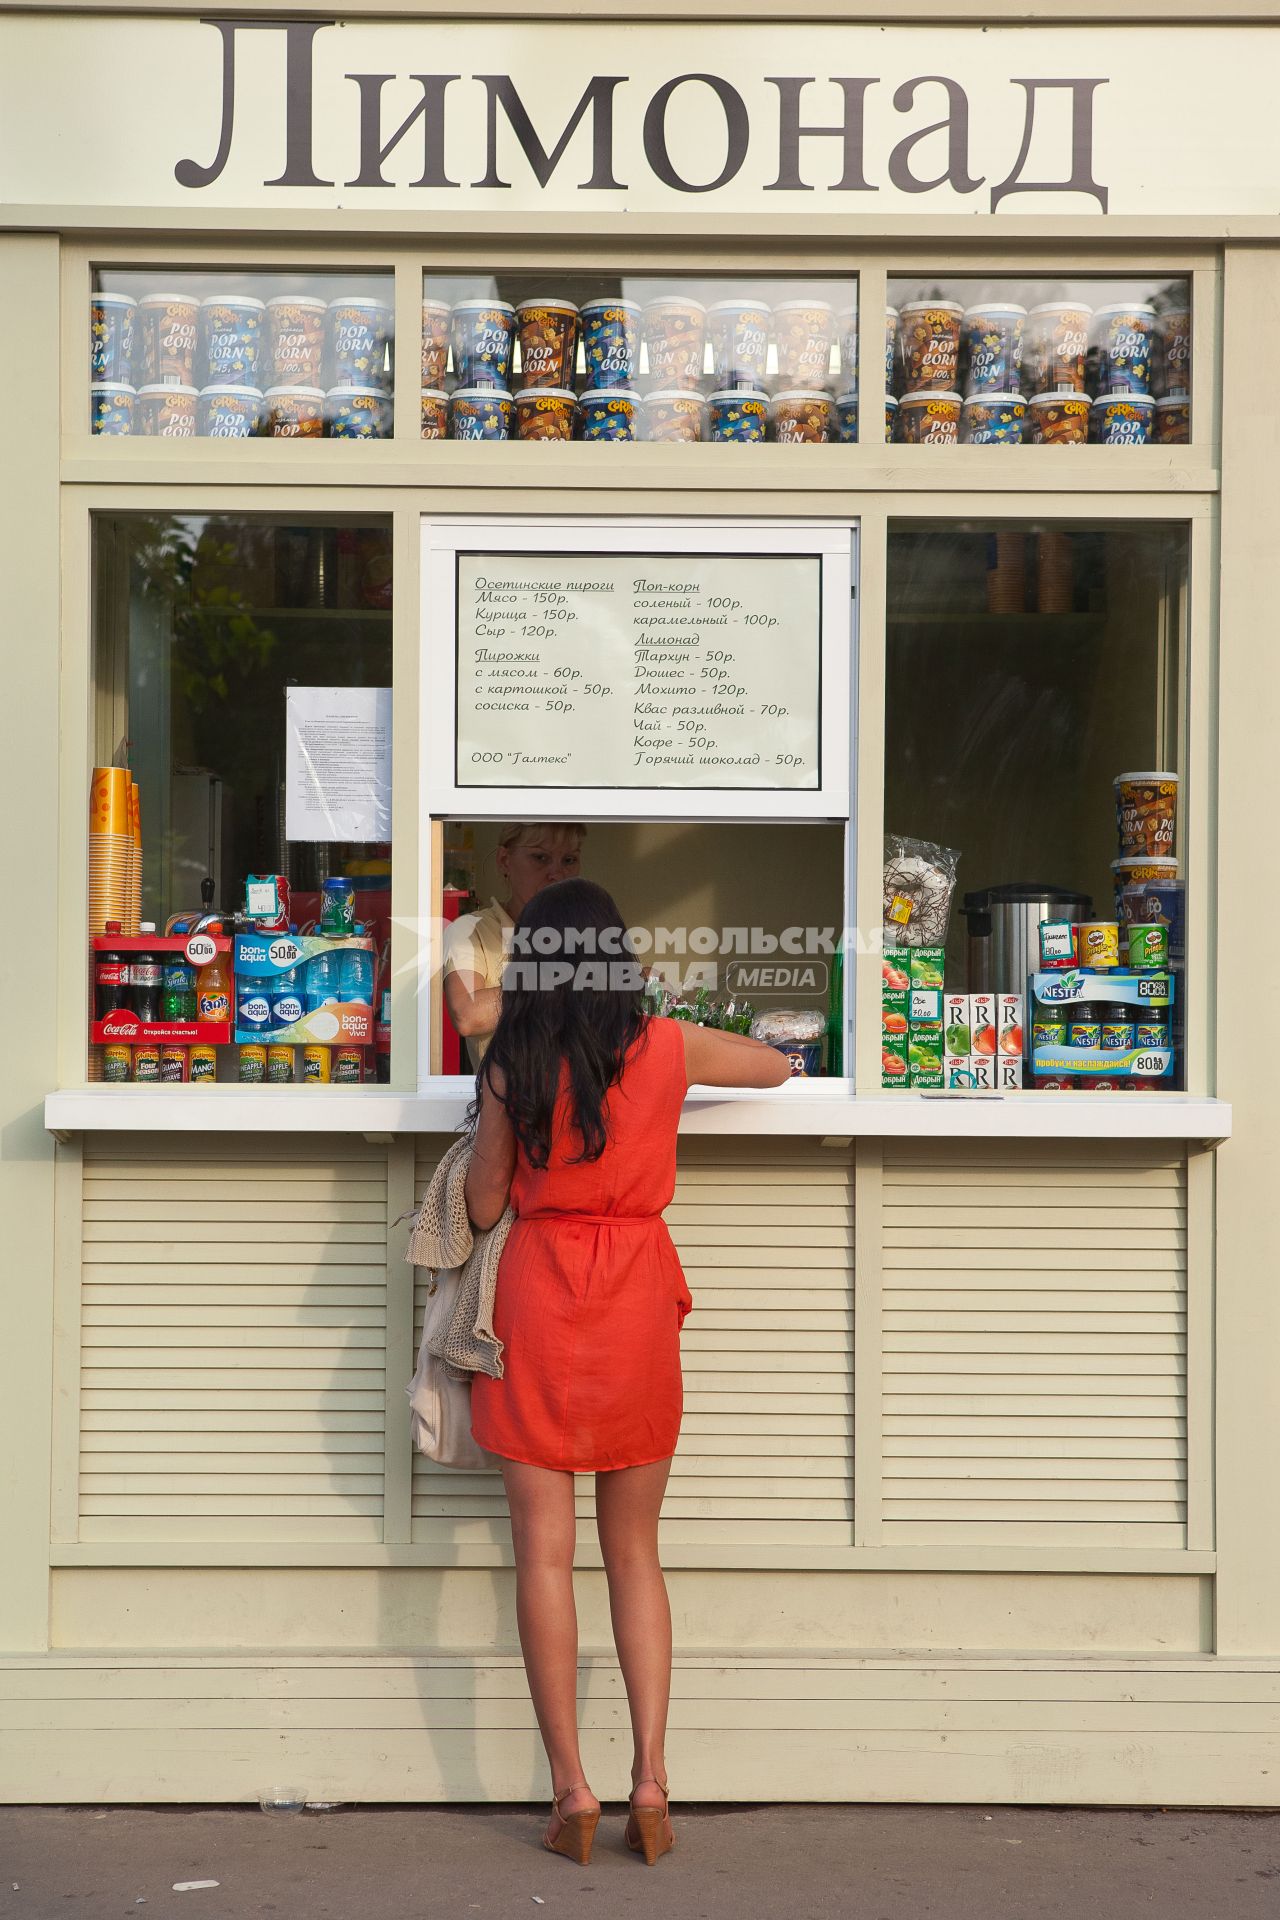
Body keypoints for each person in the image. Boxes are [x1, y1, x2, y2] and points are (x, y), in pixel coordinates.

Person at [464, 879, 790, 1866]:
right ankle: (651, 1778)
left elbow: (481, 1208)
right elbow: (775, 1067)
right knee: (635, 1554)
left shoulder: (510, 1061)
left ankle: (571, 1788)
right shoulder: (666, 1046)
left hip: (539, 1298)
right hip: (637, 1296)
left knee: (541, 1557)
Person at [443, 822, 585, 1068]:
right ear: (504, 860)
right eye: (540, 857)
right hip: (508, 1102)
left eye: (569, 860)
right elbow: (467, 1014)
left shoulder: (590, 929)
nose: (557, 874)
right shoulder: (471, 929)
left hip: (585, 1099)